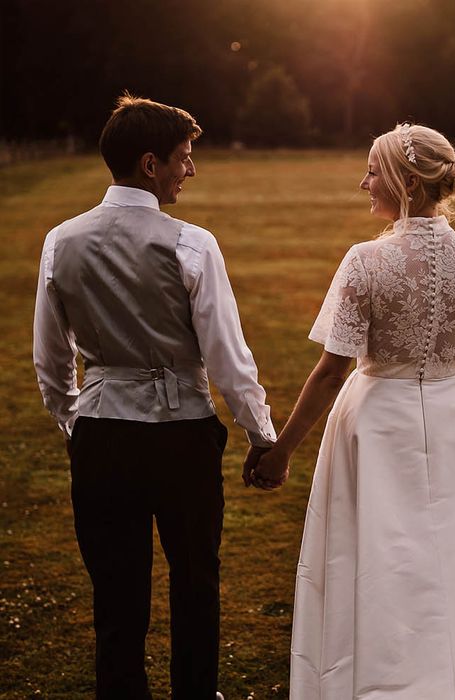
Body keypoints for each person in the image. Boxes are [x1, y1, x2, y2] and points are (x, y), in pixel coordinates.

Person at [246, 123, 455, 698]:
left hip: (378, 417)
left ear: (407, 182)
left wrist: (281, 449)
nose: (363, 183)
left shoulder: (365, 261)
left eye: (372, 171)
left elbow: (333, 370)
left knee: (384, 554)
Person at [33, 94, 276, 700]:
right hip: (181, 438)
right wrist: (261, 434)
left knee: (115, 589)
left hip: (102, 436)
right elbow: (227, 357)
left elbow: (50, 357)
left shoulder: (60, 241)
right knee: (195, 578)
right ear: (150, 164)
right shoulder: (191, 244)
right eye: (183, 158)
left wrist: (77, 420)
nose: (189, 170)